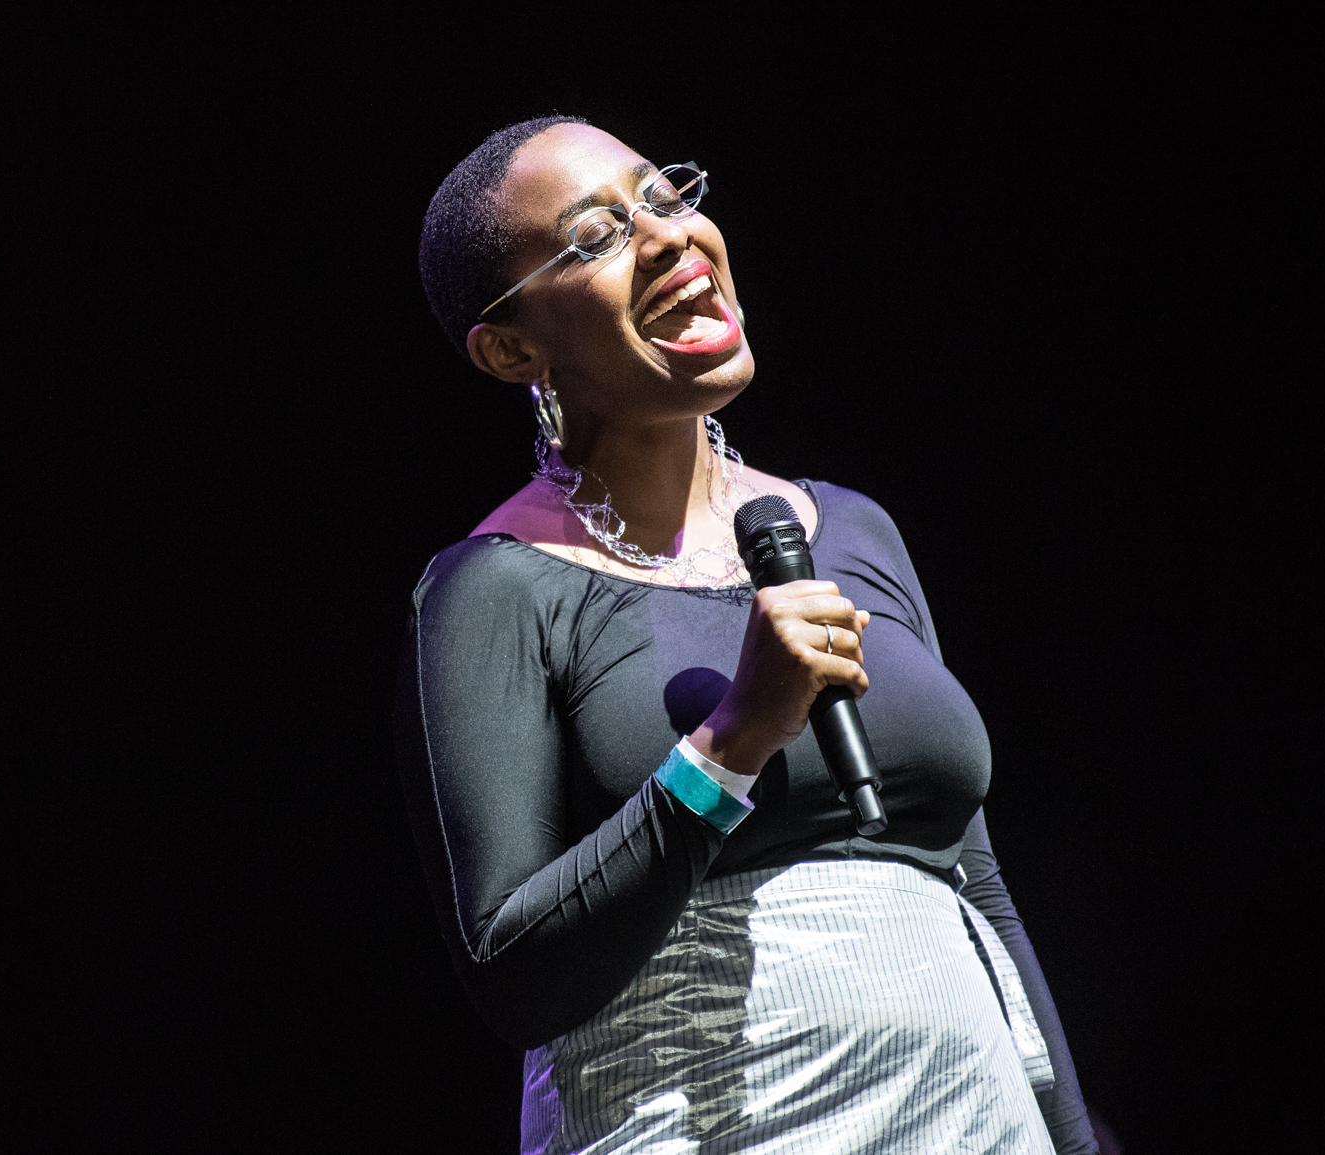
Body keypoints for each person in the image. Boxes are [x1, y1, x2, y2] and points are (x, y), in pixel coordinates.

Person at [399, 115, 1098, 1154]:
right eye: (596, 236)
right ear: (511, 349)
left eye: (667, 196)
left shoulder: (847, 528)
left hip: (971, 1111)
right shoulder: (493, 588)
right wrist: (728, 747)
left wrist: (1069, 1136)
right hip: (712, 1118)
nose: (669, 236)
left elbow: (974, 876)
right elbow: (513, 969)